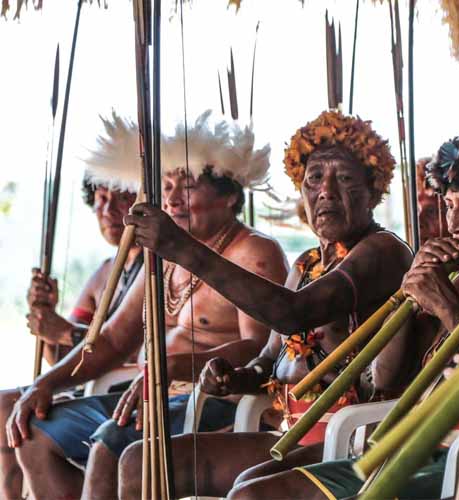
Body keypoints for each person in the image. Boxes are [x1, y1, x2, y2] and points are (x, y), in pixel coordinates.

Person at [117, 110, 414, 499]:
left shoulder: (383, 251)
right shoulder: (307, 264)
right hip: (291, 432)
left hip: (350, 442)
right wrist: (235, 377)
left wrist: (181, 248)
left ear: (373, 192)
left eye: (343, 178)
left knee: (249, 492)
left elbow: (293, 313)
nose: (325, 191)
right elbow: (269, 359)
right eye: (314, 179)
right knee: (140, 461)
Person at [225, 132, 459, 500]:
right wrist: (407, 298)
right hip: (415, 450)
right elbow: (386, 376)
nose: (452, 224)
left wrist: (446, 306)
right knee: (248, 493)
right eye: (449, 205)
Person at [9, 111, 288, 500]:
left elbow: (259, 349)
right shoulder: (168, 251)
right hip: (146, 393)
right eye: (167, 185)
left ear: (229, 196)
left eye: (186, 187)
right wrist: (45, 383)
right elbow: (112, 340)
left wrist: (171, 366)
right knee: (31, 432)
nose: (172, 199)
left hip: (211, 401)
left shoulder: (254, 252)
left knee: (110, 442)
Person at [0, 113, 145, 500]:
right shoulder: (104, 274)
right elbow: (62, 356)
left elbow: (133, 347)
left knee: (25, 419)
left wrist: (63, 330)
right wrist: (47, 322)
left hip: (126, 390)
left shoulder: (157, 265)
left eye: (120, 196)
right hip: (89, 386)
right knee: (3, 408)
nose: (109, 209)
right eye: (100, 199)